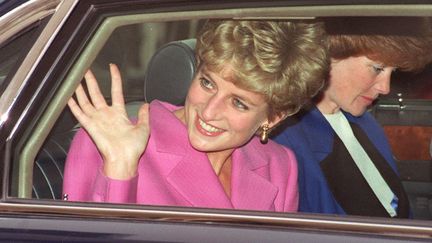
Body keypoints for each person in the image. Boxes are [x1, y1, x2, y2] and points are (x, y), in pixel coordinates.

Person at [62, 20, 329, 212]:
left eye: (238, 103)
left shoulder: (279, 165)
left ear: (272, 118)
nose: (209, 111)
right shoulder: (107, 142)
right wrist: (120, 168)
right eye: (207, 83)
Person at [273, 17, 432, 218]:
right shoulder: (284, 141)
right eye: (378, 68)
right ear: (329, 55)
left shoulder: (366, 124)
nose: (385, 87)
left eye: (394, 71)